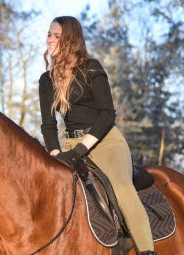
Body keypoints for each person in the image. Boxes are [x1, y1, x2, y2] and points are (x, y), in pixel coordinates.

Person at [38, 16, 156, 255]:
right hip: (68, 144)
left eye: (56, 36)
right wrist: (55, 153)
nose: (49, 39)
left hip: (104, 140)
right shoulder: (46, 80)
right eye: (49, 34)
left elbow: (107, 115)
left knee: (122, 188)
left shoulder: (92, 68)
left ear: (70, 40)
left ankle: (147, 250)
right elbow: (48, 125)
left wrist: (80, 151)